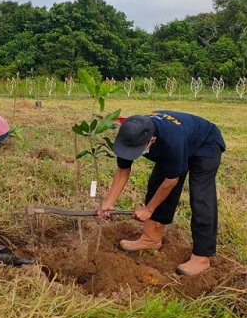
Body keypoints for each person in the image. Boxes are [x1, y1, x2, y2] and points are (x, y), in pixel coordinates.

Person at [96, 111, 225, 276]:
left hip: (205, 144)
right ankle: (151, 239)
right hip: (179, 140)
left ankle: (201, 258)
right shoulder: (131, 133)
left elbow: (172, 180)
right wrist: (108, 202)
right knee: (157, 183)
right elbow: (123, 169)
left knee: (201, 198)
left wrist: (148, 209)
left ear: (152, 140)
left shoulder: (172, 141)